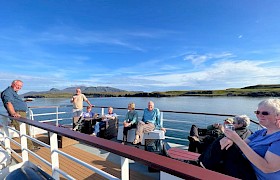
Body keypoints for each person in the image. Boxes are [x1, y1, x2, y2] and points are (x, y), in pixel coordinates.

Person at [199, 99, 280, 179]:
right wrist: (230, 139)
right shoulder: (261, 132)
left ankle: (202, 165)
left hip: (254, 176)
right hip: (244, 166)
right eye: (257, 112)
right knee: (223, 141)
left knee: (220, 143)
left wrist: (235, 138)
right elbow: (241, 144)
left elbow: (267, 168)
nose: (259, 115)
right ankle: (202, 163)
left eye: (265, 113)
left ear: (278, 115)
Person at [1, 80, 37, 151]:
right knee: (23, 131)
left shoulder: (13, 92)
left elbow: (14, 102)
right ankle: (29, 148)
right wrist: (13, 113)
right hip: (17, 114)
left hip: (20, 113)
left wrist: (24, 102)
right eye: (18, 85)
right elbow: (8, 103)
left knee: (25, 130)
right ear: (13, 84)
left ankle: (30, 147)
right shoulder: (8, 92)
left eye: (21, 86)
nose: (19, 87)